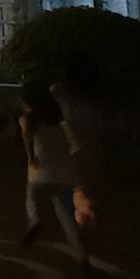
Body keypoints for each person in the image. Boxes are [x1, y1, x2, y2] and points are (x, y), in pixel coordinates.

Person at [16, 85, 88, 267]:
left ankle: (35, 220)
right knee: (68, 218)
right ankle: (83, 257)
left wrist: (32, 158)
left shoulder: (30, 120)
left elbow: (27, 144)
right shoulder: (62, 123)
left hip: (40, 174)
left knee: (32, 201)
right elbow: (75, 148)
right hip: (64, 175)